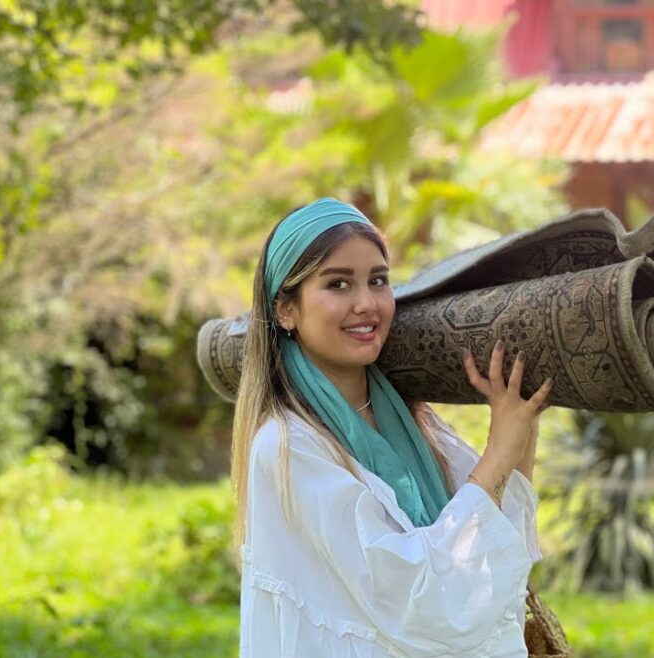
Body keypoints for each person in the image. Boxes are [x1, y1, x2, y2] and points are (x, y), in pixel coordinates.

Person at [232, 198, 554, 657]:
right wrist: (500, 447)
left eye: (378, 281)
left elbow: (497, 532)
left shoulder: (411, 420)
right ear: (286, 309)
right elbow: (417, 597)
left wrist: (521, 420)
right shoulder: (287, 447)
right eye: (338, 283)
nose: (366, 304)